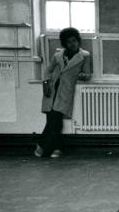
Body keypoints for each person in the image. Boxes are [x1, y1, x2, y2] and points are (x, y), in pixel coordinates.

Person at [34, 27, 91, 158]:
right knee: (54, 120)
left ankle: (41, 145)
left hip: (65, 90)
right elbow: (48, 71)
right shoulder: (58, 55)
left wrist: (82, 75)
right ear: (64, 43)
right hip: (52, 89)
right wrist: (46, 83)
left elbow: (87, 74)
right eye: (69, 41)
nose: (72, 44)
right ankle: (57, 149)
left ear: (78, 41)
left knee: (55, 119)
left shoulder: (84, 56)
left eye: (74, 40)